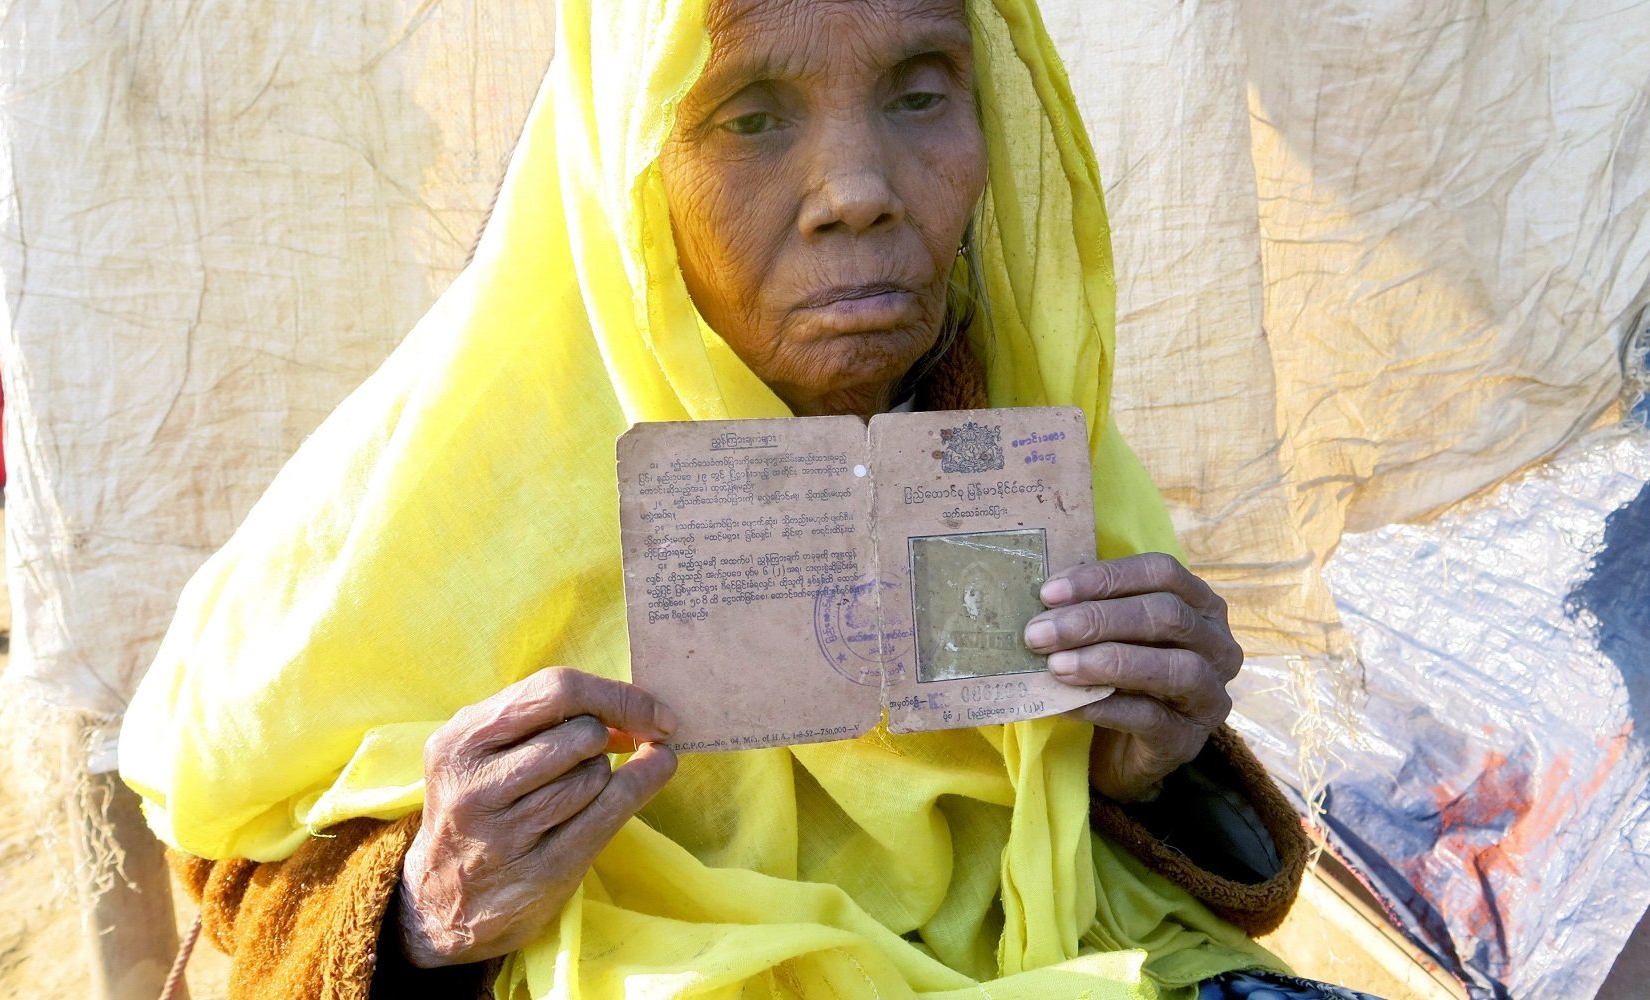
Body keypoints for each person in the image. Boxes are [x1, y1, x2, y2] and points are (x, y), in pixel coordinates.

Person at [120, 1, 1372, 997]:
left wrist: (1156, 761)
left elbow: (1198, 880)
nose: (857, 189)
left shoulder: (1014, 434)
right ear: (632, 161)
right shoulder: (425, 496)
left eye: (922, 92)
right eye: (750, 112)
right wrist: (426, 909)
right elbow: (236, 880)